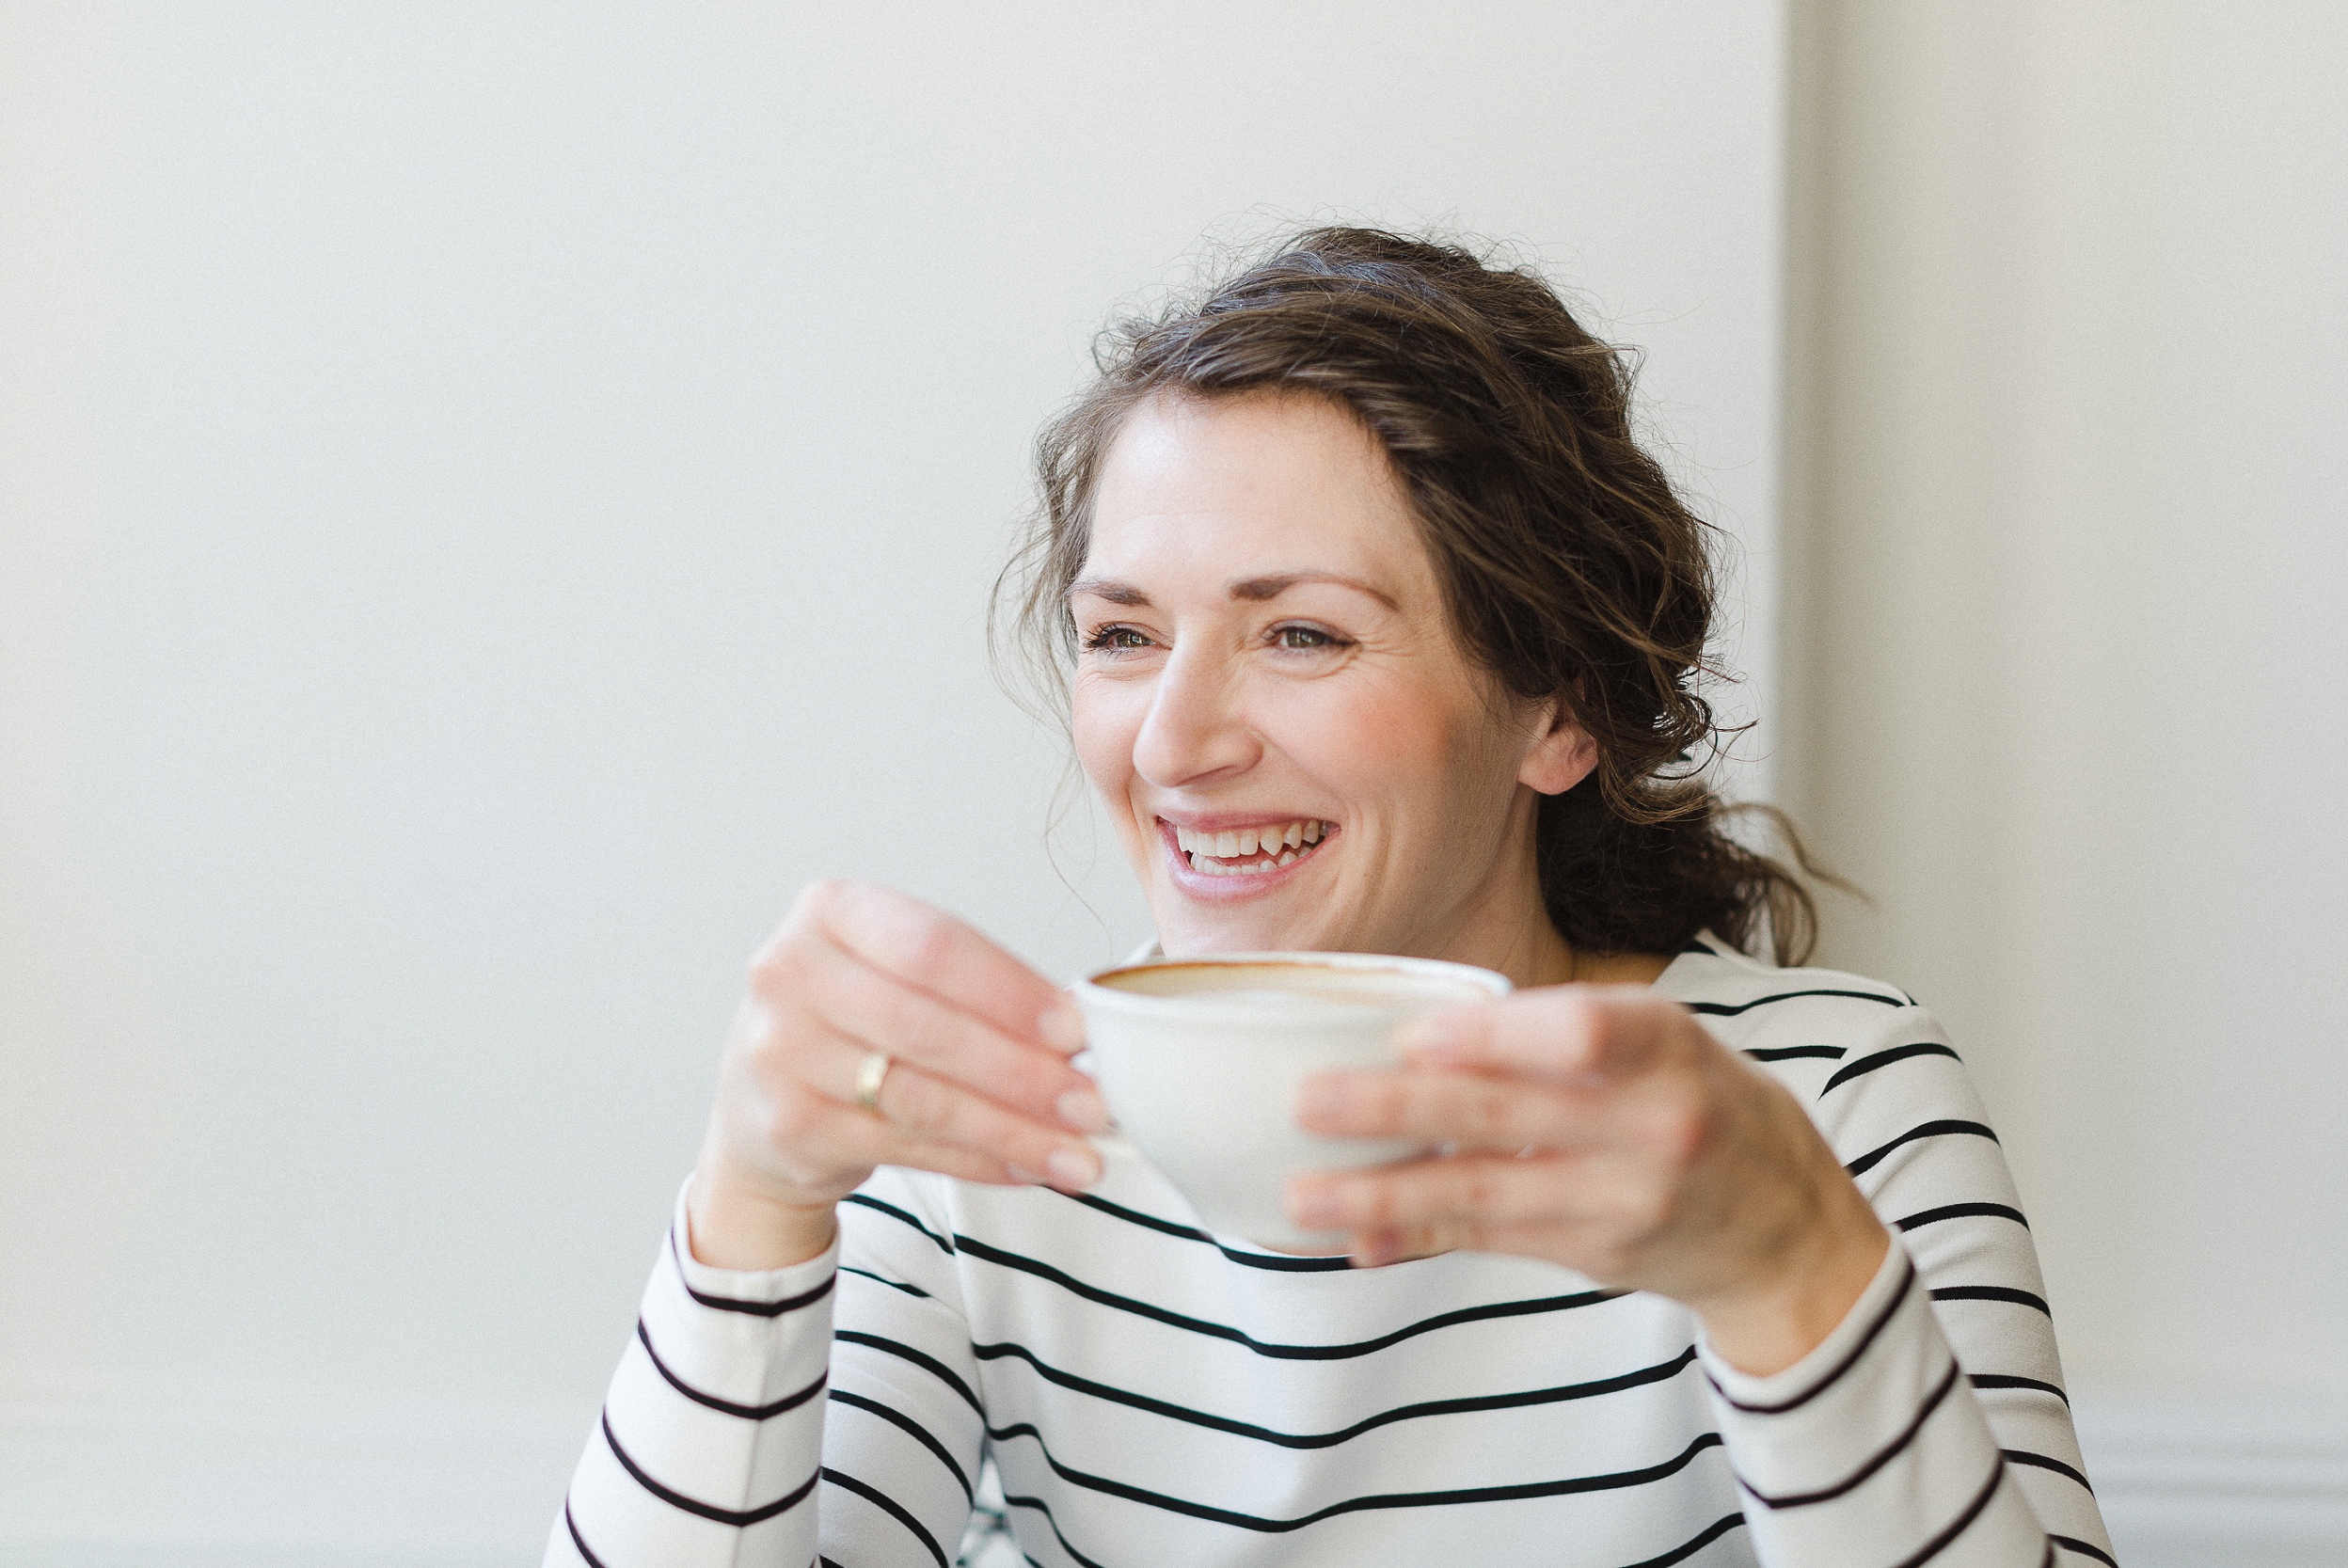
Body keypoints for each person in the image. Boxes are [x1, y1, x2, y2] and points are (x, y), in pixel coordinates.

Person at [547, 229, 2115, 1568]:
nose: (1175, 742)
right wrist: (751, 1204)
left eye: (1299, 634)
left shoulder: (1829, 1101)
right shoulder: (983, 1153)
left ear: (1556, 711)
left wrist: (1786, 1269)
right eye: (1121, 636)